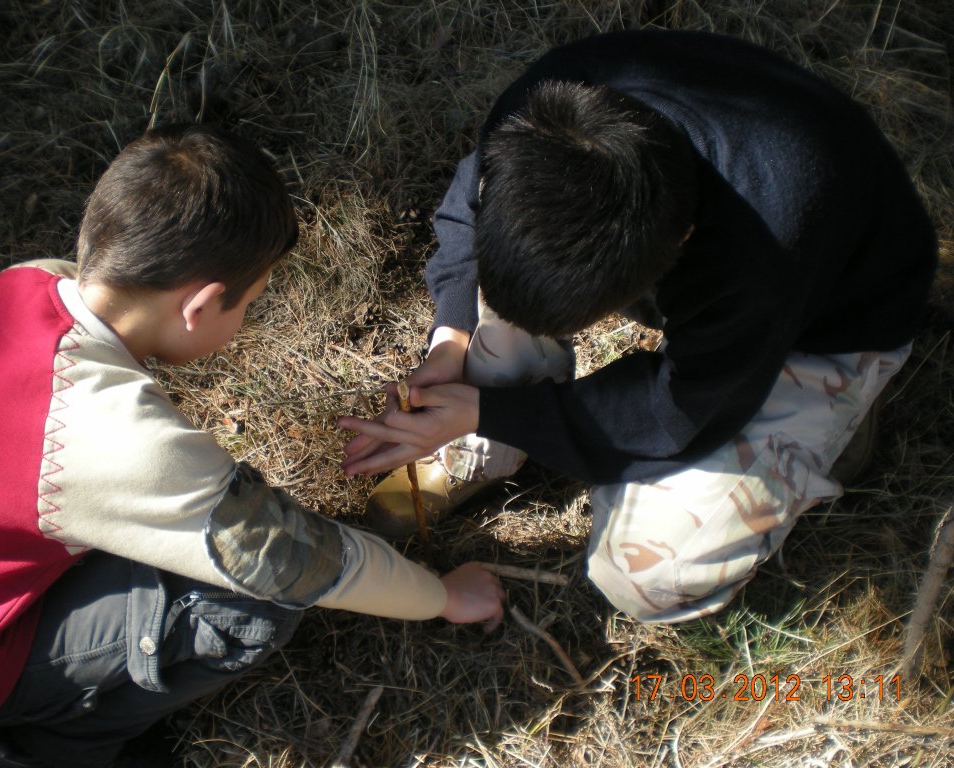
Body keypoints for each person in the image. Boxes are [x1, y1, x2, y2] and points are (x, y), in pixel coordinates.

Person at [0, 123, 504, 768]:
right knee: (248, 599)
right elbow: (297, 559)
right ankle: (47, 747)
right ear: (200, 305)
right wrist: (445, 597)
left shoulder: (23, 284)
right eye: (250, 304)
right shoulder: (107, 438)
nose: (247, 319)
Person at [338, 31, 937, 625]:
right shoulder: (546, 114)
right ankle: (502, 427)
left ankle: (831, 423)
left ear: (677, 249)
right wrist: (454, 338)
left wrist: (487, 411)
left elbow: (678, 413)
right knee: (504, 298)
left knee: (644, 572)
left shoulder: (761, 250)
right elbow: (468, 209)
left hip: (823, 320)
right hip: (714, 242)